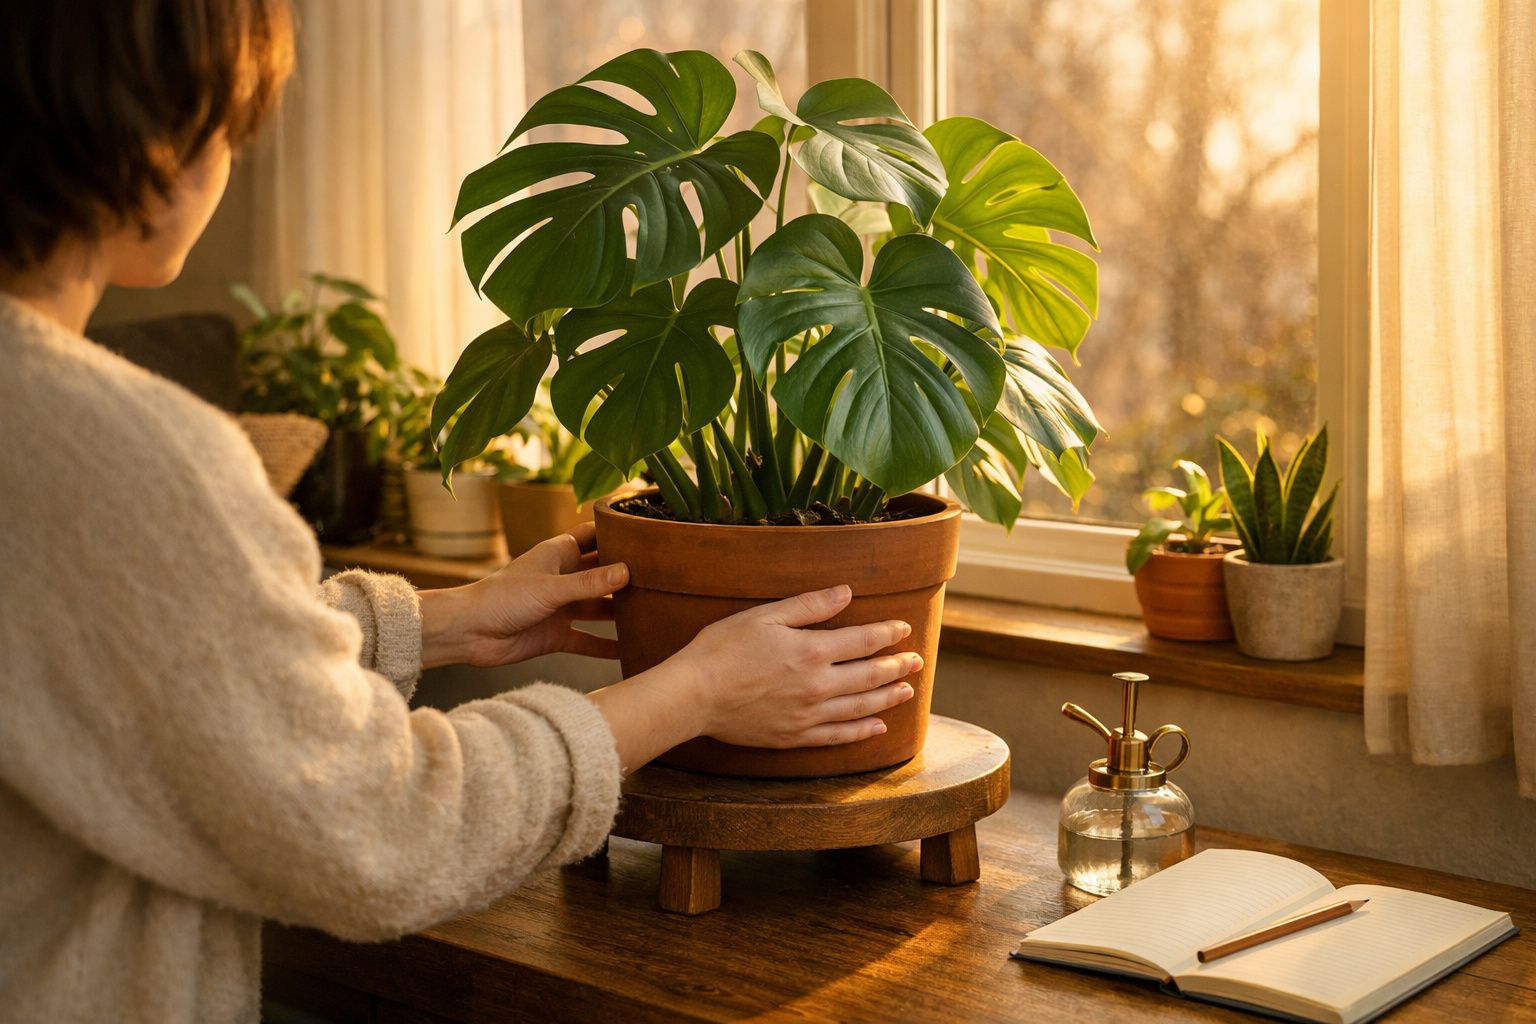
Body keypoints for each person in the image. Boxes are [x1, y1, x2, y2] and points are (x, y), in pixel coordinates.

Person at [0, 2, 919, 1021]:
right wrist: (694, 691)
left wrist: (438, 620)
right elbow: (377, 826)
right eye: (226, 120)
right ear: (151, 130)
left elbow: (123, 645)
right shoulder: (120, 458)